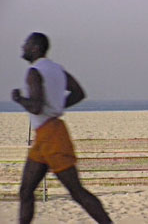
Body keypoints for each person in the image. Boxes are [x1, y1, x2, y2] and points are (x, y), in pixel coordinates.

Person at [12, 32, 113, 224]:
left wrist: (18, 98)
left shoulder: (34, 72)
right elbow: (79, 93)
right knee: (26, 191)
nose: (22, 47)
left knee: (77, 192)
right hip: (45, 136)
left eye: (26, 44)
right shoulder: (57, 69)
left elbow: (36, 106)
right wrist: (58, 106)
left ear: (35, 47)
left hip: (52, 137)